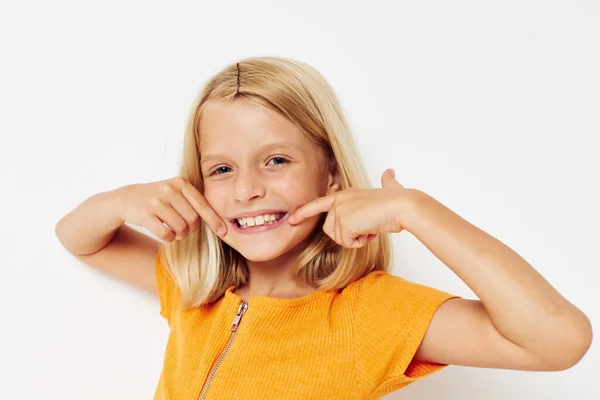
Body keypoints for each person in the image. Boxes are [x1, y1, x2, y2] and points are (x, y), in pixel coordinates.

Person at [55, 56, 592, 400]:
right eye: (221, 169)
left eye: (277, 161)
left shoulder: (367, 315)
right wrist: (121, 199)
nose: (246, 191)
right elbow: (79, 237)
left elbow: (557, 341)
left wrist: (418, 212)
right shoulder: (195, 291)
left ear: (332, 173)